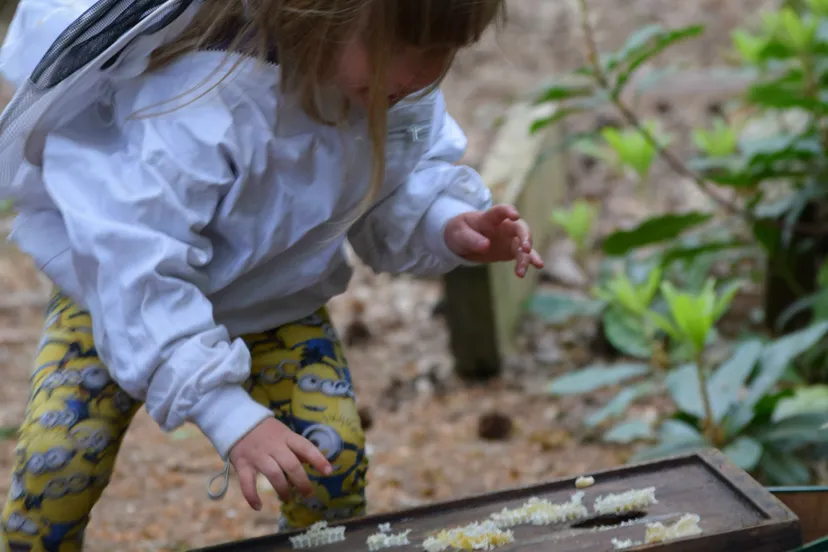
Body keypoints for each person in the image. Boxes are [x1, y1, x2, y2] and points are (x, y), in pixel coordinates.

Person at [0, 0, 545, 550]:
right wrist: (228, 414)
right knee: (60, 462)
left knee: (330, 458)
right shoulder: (202, 103)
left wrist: (447, 224)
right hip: (120, 302)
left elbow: (398, 180)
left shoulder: (384, 86)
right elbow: (136, 263)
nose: (416, 74)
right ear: (316, 16)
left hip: (272, 303)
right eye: (395, 50)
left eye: (442, 52)